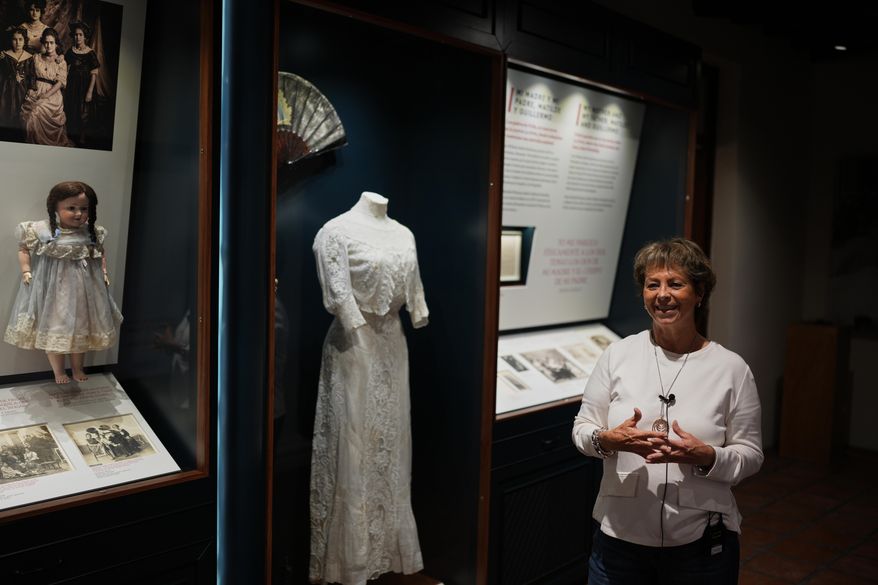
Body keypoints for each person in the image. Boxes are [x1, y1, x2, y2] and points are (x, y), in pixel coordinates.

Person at [572, 238, 763, 584]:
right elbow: (582, 428)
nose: (663, 294)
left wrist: (708, 457)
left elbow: (750, 453)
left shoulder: (731, 368)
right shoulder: (618, 355)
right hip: (619, 541)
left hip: (700, 543)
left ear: (699, 293)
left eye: (676, 284)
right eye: (652, 284)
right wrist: (608, 440)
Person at [4, 181, 123, 384]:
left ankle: (77, 368)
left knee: (81, 330)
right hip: (53, 292)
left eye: (84, 209)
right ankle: (59, 371)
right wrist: (26, 270)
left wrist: (103, 271)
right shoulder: (41, 231)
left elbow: (99, 253)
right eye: (71, 208)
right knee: (54, 328)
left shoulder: (92, 232)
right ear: (56, 208)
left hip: (85, 292)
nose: (78, 214)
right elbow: (23, 248)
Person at [20, 27, 71, 147]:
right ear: (43, 43)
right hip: (35, 89)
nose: (48, 46)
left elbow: (60, 83)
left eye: (51, 42)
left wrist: (45, 95)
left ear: (56, 44)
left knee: (37, 111)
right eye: (46, 42)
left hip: (52, 94)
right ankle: (33, 145)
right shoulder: (36, 57)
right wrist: (31, 89)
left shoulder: (61, 62)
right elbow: (29, 74)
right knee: (30, 113)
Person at [64, 21, 99, 146]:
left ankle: (83, 136)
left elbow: (94, 73)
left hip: (85, 86)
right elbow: (63, 66)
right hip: (72, 86)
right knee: (71, 109)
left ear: (85, 36)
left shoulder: (90, 53)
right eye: (75, 35)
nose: (77, 37)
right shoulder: (70, 51)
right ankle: (71, 134)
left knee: (84, 112)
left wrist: (90, 91)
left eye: (80, 35)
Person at [0, 26, 34, 141]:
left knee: (21, 113)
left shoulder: (29, 57)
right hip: (7, 90)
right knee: (7, 110)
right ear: (11, 41)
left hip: (23, 90)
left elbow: (32, 75)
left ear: (24, 41)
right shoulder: (5, 56)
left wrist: (31, 89)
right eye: (14, 39)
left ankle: (20, 138)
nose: (17, 42)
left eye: (20, 39)